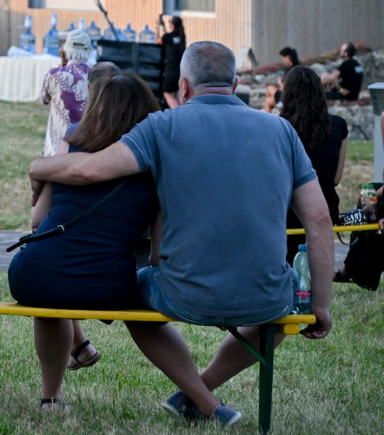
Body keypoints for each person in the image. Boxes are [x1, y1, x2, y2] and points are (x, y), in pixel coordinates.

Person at [30, 41, 333, 426]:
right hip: (267, 294)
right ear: (236, 83)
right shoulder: (282, 130)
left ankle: (200, 395)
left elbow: (90, 170)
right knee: (282, 308)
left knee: (133, 302)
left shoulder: (161, 127)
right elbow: (320, 220)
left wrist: (38, 167)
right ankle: (201, 392)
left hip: (182, 293)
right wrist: (320, 305)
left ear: (183, 86)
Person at [11, 73, 161, 411]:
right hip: (109, 287)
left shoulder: (69, 150)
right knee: (63, 279)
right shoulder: (153, 167)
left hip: (35, 276)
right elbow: (157, 255)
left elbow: (37, 221)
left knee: (51, 292)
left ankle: (51, 397)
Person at [280, 66, 347, 263]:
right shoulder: (338, 125)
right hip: (325, 207)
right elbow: (335, 179)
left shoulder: (278, 126)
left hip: (287, 212)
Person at [39, 28, 92, 156]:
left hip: (56, 150)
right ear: (89, 50)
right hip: (86, 150)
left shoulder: (54, 74)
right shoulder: (97, 76)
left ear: (65, 50)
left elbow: (44, 99)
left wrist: (62, 65)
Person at [156, 14, 186, 108]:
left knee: (168, 94)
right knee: (179, 95)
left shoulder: (168, 37)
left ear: (172, 25)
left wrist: (157, 27)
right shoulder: (182, 36)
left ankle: (178, 115)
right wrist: (164, 26)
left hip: (171, 70)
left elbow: (158, 40)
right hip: (181, 70)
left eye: (170, 22)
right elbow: (168, 37)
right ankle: (183, 114)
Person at [263, 47, 300, 113]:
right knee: (270, 88)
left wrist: (280, 83)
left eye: (283, 58)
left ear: (287, 57)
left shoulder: (290, 71)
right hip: (295, 97)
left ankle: (268, 112)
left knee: (268, 101)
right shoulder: (299, 68)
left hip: (288, 98)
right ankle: (270, 109)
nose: (284, 61)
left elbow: (286, 88)